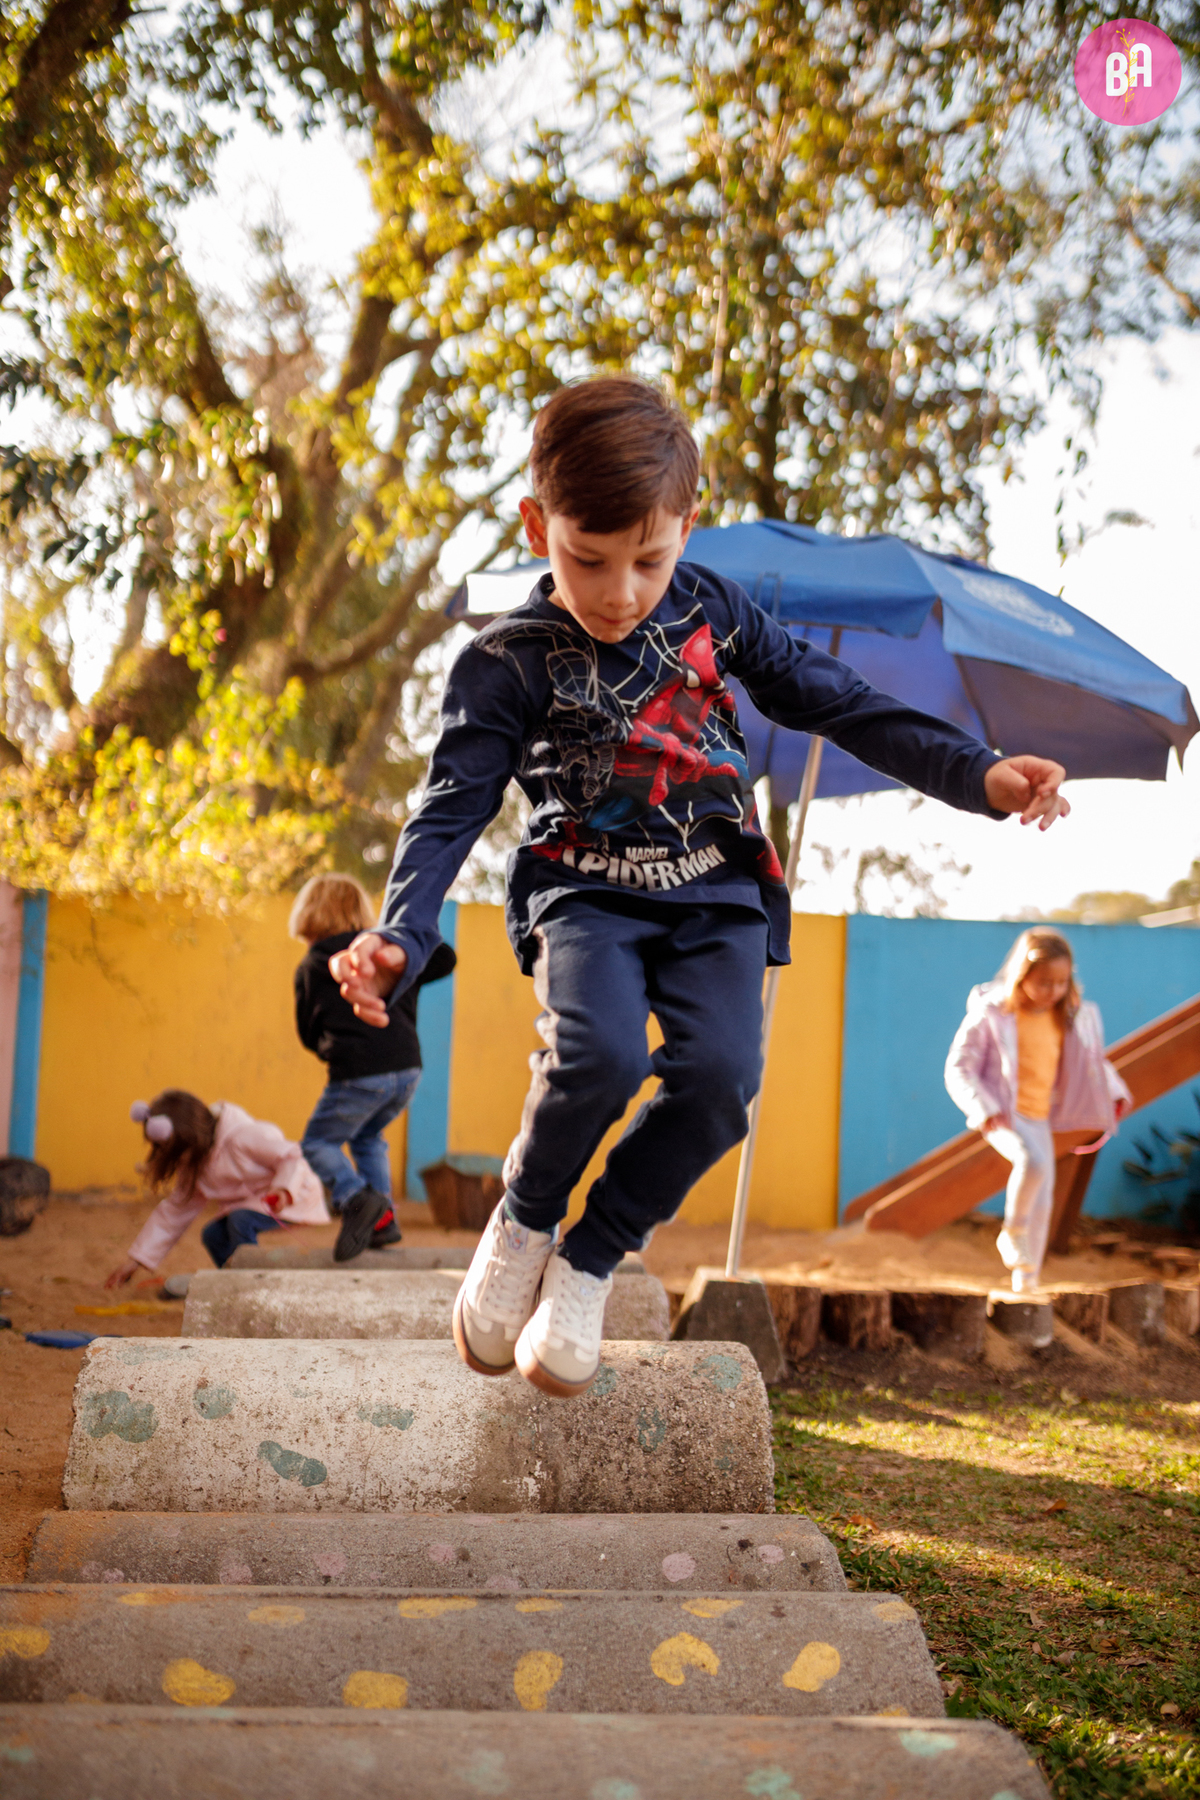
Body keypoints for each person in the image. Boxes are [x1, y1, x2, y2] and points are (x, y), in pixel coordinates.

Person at [332, 374, 1071, 1398]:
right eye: (588, 559)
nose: (620, 593)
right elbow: (449, 810)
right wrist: (401, 935)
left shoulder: (712, 610)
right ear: (538, 526)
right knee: (597, 1056)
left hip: (716, 890)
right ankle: (525, 1223)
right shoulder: (506, 661)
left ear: (689, 522)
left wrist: (975, 773)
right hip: (584, 893)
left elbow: (839, 700)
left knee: (721, 1082)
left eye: (650, 560)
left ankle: (589, 1260)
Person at [945, 927, 1132, 1293]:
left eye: (1062, 982)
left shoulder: (1068, 1016)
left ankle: (1026, 1282)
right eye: (1045, 982)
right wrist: (983, 1106)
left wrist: (1114, 1092)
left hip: (1039, 1117)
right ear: (1022, 976)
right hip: (1003, 1114)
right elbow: (958, 1067)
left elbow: (1090, 1062)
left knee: (1043, 1199)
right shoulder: (993, 1014)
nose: (1054, 990)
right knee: (1033, 1163)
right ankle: (1011, 1232)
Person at [291, 872, 456, 1261]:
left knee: (318, 1143)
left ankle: (356, 1198)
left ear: (309, 914)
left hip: (359, 1073)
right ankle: (383, 1221)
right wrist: (407, 938)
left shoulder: (315, 963)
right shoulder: (385, 955)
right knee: (367, 1138)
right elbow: (445, 958)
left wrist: (330, 1048)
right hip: (408, 1070)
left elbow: (308, 1033)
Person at [104, 1089, 329, 1284]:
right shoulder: (194, 1164)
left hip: (294, 1195)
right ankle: (235, 1281)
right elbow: (174, 1213)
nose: (177, 1160)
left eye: (177, 1152)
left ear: (192, 1138)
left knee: (240, 1221)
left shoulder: (243, 1137)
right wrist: (136, 1260)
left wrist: (284, 1189)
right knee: (213, 1235)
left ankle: (256, 1283)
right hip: (253, 1204)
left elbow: (292, 1156)